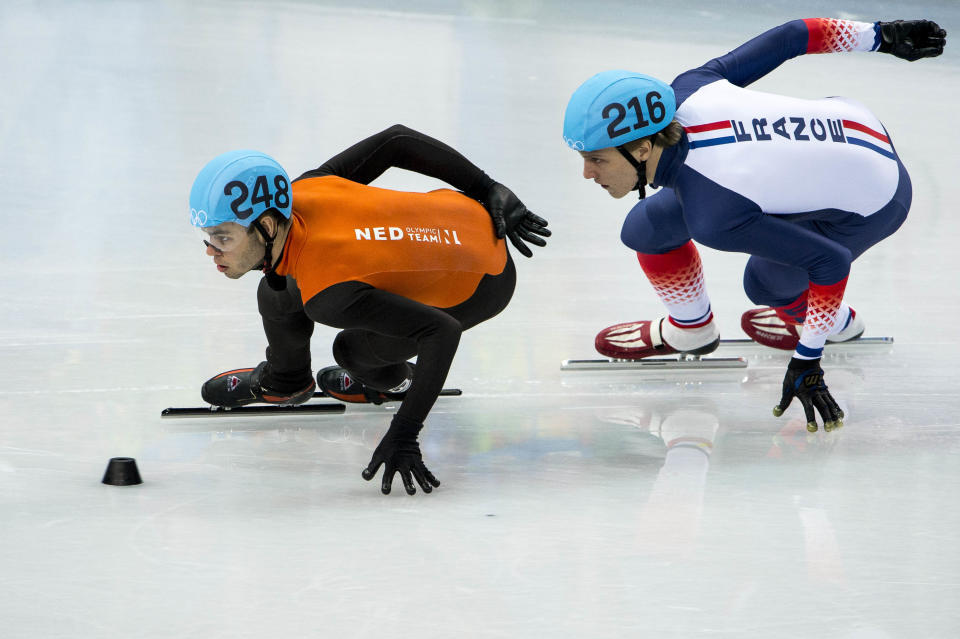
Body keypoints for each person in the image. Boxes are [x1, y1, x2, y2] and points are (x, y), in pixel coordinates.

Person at [562, 18, 946, 432]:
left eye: (597, 160)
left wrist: (808, 358)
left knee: (765, 284)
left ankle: (840, 324)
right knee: (645, 228)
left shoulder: (715, 214)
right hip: (851, 125)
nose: (587, 174)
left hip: (878, 197)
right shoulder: (690, 88)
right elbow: (792, 36)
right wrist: (881, 36)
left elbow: (831, 262)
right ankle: (691, 329)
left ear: (641, 148)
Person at [188, 125, 550, 495]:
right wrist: (485, 186)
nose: (211, 250)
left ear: (265, 226)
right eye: (209, 236)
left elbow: (441, 331)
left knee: (353, 352)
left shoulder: (329, 294)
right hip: (466, 211)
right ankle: (287, 381)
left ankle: (397, 380)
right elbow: (396, 141)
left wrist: (405, 433)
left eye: (223, 237)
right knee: (277, 285)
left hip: (484, 281)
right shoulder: (305, 189)